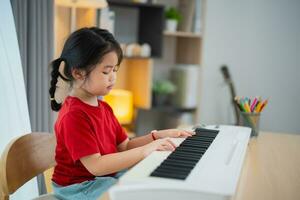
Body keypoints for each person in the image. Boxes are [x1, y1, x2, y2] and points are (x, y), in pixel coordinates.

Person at [49, 27, 194, 200]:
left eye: (115, 70)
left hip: (102, 178)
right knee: (137, 193)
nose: (112, 77)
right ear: (78, 73)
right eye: (106, 71)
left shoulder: (103, 107)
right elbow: (96, 165)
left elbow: (124, 147)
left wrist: (158, 136)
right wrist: (146, 151)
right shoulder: (74, 115)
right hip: (79, 187)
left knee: (148, 182)